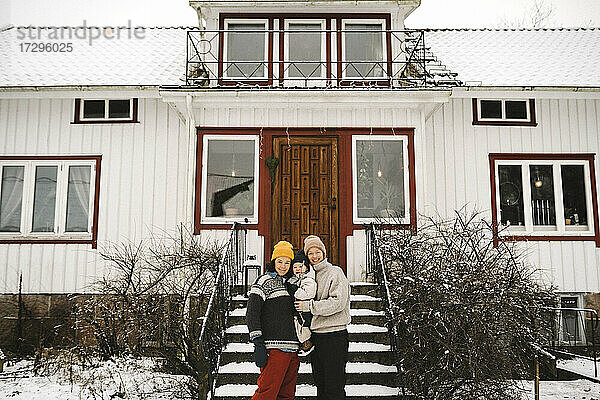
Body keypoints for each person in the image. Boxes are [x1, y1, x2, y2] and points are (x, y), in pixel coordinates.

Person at [295, 235, 351, 400]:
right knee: (321, 385)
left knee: (334, 386)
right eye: (310, 253)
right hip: (317, 337)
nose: (314, 256)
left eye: (317, 252)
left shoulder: (335, 272)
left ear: (324, 252)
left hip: (334, 336)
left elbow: (337, 303)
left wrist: (309, 306)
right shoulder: (308, 277)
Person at [246, 240, 300, 400]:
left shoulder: (294, 284)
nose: (283, 266)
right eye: (280, 261)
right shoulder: (264, 281)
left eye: (287, 262)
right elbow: (252, 313)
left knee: (286, 395)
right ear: (273, 261)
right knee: (266, 394)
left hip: (293, 349)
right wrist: (257, 341)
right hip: (274, 349)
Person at [285, 249, 317, 354]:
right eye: (295, 267)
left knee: (304, 325)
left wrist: (294, 290)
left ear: (307, 267)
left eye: (300, 266)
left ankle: (307, 342)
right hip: (297, 308)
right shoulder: (294, 279)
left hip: (305, 309)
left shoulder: (309, 279)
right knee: (298, 324)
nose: (297, 269)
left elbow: (308, 294)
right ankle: (301, 341)